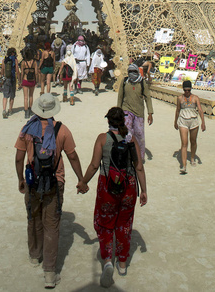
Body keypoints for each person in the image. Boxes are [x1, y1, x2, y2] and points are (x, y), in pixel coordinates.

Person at [15, 94, 86, 289]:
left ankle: (35, 255)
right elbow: (72, 156)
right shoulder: (61, 130)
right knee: (51, 224)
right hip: (55, 181)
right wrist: (81, 179)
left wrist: (21, 179)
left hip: (32, 180)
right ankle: (49, 272)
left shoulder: (27, 130)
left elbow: (19, 158)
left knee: (33, 217)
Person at [78, 107, 147, 285]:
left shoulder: (103, 139)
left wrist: (83, 182)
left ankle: (108, 261)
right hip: (128, 187)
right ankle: (122, 263)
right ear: (124, 121)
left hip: (107, 187)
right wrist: (144, 191)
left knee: (105, 224)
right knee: (124, 224)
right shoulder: (132, 140)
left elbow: (94, 165)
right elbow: (139, 167)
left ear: (108, 121)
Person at [117, 63, 153, 162]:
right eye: (130, 72)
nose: (132, 73)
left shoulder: (142, 83)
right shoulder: (125, 81)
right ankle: (126, 155)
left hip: (139, 112)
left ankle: (140, 157)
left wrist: (150, 113)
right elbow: (120, 97)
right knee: (127, 133)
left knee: (139, 134)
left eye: (134, 71)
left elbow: (148, 98)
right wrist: (118, 111)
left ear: (137, 72)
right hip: (126, 110)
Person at [174, 80, 206, 173]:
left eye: (188, 90)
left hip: (193, 121)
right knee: (184, 143)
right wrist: (175, 121)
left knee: (193, 141)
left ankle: (192, 158)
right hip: (183, 121)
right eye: (185, 90)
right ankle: (183, 166)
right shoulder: (180, 98)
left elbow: (200, 110)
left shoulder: (195, 98)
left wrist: (203, 122)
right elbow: (177, 110)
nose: (187, 92)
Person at [2, 47, 20, 118]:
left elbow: (2, 70)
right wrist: (19, 79)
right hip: (12, 79)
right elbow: (17, 71)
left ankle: (4, 109)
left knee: (5, 95)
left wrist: (2, 77)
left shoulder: (4, 60)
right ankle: (10, 110)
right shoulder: (15, 60)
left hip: (6, 78)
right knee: (12, 95)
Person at [21, 48, 39, 119]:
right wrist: (37, 80)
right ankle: (30, 109)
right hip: (32, 80)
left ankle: (26, 112)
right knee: (31, 96)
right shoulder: (34, 62)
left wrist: (20, 80)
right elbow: (36, 72)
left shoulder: (23, 62)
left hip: (25, 80)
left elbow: (22, 72)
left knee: (25, 97)